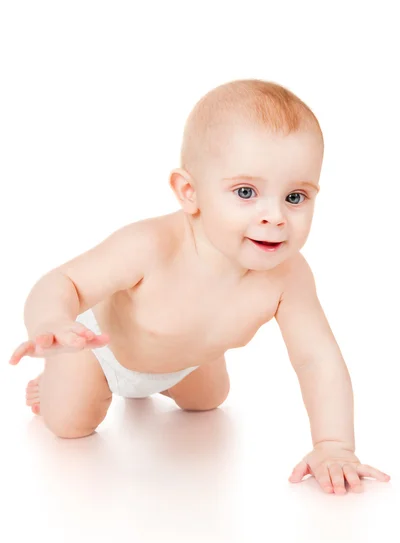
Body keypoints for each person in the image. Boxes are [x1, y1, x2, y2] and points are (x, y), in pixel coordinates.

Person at [9, 78, 391, 495]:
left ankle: (169, 379)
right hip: (99, 351)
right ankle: (56, 381)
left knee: (210, 399)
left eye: (296, 197)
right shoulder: (150, 246)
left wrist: (334, 445)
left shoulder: (289, 275)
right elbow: (63, 281)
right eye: (246, 192)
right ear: (189, 192)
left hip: (184, 361)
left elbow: (317, 359)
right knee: (69, 425)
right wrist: (52, 320)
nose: (276, 216)